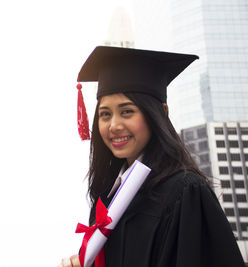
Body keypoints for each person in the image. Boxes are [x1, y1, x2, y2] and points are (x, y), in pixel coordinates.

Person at [59, 46, 245, 267]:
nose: (114, 125)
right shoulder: (108, 202)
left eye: (127, 111)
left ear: (160, 113)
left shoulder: (186, 192)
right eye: (105, 114)